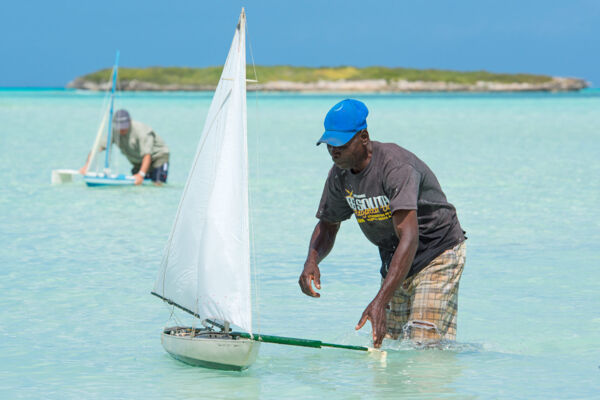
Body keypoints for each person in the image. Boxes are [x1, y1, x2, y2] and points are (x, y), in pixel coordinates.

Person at [299, 99, 466, 348]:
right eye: (329, 145)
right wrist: (312, 259)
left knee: (424, 343)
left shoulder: (395, 167)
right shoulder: (339, 174)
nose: (334, 152)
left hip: (436, 252)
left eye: (340, 145)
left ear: (363, 137)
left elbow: (409, 237)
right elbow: (329, 224)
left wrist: (379, 300)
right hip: (396, 258)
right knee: (388, 344)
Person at [80, 109, 170, 185]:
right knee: (137, 186)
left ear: (129, 121)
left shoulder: (141, 131)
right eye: (119, 126)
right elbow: (97, 148)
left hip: (157, 158)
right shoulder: (114, 131)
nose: (122, 130)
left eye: (124, 126)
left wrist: (141, 175)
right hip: (138, 162)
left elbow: (147, 155)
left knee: (157, 184)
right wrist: (87, 166)